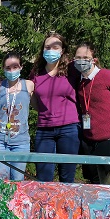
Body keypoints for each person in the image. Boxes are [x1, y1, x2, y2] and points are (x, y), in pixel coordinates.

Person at [74, 41, 110, 184]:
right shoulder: (79, 81)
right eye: (77, 57)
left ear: (94, 60)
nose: (81, 61)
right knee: (94, 187)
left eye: (85, 57)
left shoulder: (108, 76)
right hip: (89, 142)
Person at [30, 32, 81, 183]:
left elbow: (91, 72)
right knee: (44, 177)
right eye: (47, 47)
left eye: (55, 46)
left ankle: (66, 207)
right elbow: (32, 97)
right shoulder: (36, 72)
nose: (51, 49)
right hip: (44, 130)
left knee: (67, 176)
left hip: (69, 129)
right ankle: (46, 207)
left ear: (63, 50)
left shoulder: (72, 69)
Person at [0, 52, 34, 180]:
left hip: (21, 142)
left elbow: (39, 105)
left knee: (17, 181)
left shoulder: (29, 85)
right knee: (2, 180)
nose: (12, 70)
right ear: (3, 69)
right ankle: (2, 201)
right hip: (0, 140)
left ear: (21, 67)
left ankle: (15, 201)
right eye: (8, 68)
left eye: (15, 67)